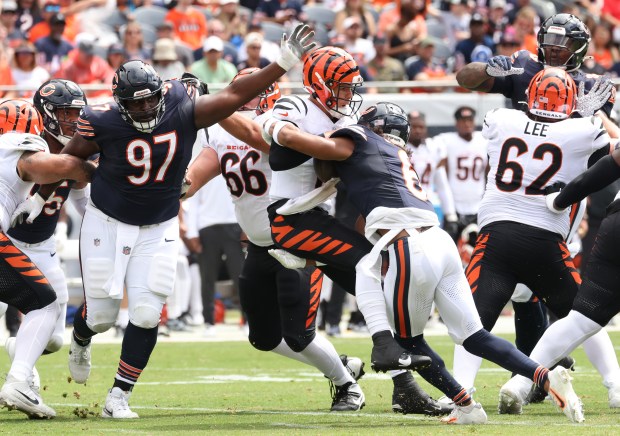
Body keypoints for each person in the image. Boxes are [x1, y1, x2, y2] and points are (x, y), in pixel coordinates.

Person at [11, 23, 316, 419]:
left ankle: (120, 394)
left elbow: (236, 94)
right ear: (119, 103)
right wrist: (38, 196)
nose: (143, 110)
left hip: (160, 223)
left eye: (148, 102)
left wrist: (283, 63)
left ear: (160, 94)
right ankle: (82, 338)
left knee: (146, 310)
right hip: (108, 218)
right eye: (133, 105)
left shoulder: (184, 107)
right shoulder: (101, 120)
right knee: (102, 314)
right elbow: (68, 160)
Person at [262, 100, 584, 424]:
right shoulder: (397, 157)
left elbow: (308, 146)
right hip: (438, 240)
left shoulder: (358, 138)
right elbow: (363, 228)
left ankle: (466, 406)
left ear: (373, 126)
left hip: (408, 245)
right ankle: (543, 376)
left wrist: (273, 125)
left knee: (408, 343)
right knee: (474, 336)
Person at [185, 67, 366, 411]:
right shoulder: (221, 133)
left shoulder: (279, 123)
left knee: (299, 334)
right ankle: (341, 365)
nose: (243, 97)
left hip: (298, 239)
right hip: (257, 244)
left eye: (250, 91)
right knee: (264, 338)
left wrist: (210, 106)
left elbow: (256, 135)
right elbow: (190, 182)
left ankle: (348, 386)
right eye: (238, 90)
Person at [451, 67, 620, 414]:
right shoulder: (584, 130)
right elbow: (608, 155)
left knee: (471, 320)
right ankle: (615, 385)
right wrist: (584, 115)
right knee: (584, 314)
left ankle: (461, 392)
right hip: (546, 238)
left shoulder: (500, 119)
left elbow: (534, 131)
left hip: (496, 235)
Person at [0, 99, 95, 419]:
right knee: (44, 303)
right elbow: (40, 166)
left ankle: (21, 371)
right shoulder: (16, 144)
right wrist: (95, 170)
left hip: (37, 246)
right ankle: (18, 381)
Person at [431, 106, 487, 241]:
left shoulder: (484, 140)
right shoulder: (446, 140)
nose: (467, 123)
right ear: (456, 123)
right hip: (455, 206)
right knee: (449, 247)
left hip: (478, 205)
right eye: (463, 120)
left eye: (469, 120)